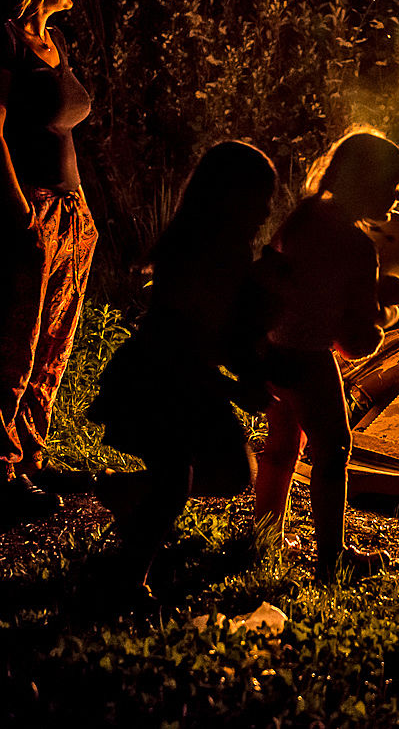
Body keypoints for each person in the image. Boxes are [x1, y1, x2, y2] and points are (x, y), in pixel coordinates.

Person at [88, 140, 279, 600]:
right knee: (175, 481)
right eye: (260, 198)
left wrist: (249, 372)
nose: (266, 210)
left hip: (189, 379)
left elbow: (223, 335)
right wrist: (238, 389)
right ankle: (128, 578)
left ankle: (128, 492)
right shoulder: (200, 253)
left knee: (234, 474)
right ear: (229, 197)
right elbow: (184, 342)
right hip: (157, 380)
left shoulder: (229, 252)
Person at [253, 129, 399, 584]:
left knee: (282, 446)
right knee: (333, 449)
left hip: (271, 348)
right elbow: (356, 340)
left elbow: (275, 273)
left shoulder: (305, 215)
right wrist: (386, 312)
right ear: (363, 183)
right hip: (308, 359)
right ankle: (333, 556)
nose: (397, 196)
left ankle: (263, 537)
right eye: (392, 186)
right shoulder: (358, 247)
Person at [0, 0, 97, 515]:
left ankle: (30, 459)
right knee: (15, 339)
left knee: (54, 340)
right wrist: (19, 208)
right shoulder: (6, 42)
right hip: (33, 209)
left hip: (71, 210)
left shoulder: (56, 44)